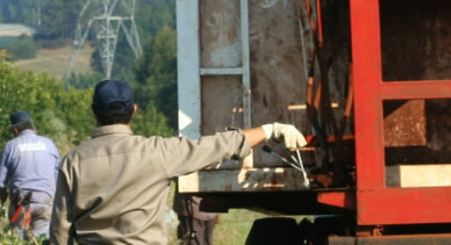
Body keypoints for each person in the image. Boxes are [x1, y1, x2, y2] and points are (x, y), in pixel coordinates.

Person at [49, 80, 306, 245]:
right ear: (134, 110)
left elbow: (60, 231)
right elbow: (219, 145)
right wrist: (271, 129)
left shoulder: (73, 162)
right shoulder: (157, 152)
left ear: (94, 112)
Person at [0, 110, 61, 241]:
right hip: (46, 201)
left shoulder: (11, 146)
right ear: (32, 127)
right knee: (42, 240)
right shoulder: (49, 144)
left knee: (18, 240)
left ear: (16, 130)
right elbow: (58, 175)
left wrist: (3, 195)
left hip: (21, 203)